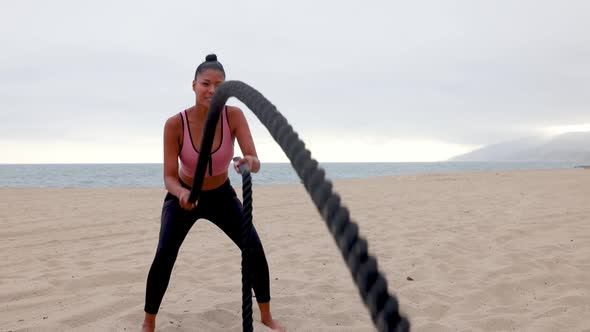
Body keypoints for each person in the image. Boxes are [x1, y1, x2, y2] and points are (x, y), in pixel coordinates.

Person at [141, 54, 285, 332]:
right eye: (206, 83)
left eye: (219, 85)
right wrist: (182, 194)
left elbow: (254, 160)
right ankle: (148, 323)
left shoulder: (234, 116)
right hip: (184, 197)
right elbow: (169, 177)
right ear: (194, 85)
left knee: (253, 248)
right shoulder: (175, 124)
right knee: (164, 254)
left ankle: (266, 316)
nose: (212, 90)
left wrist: (249, 163)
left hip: (221, 194)